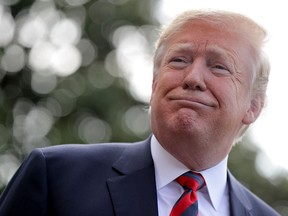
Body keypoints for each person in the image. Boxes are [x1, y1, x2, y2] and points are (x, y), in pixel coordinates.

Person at [0, 10, 280, 216]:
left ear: (253, 106)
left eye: (219, 66)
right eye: (179, 60)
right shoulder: (55, 178)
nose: (193, 77)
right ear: (154, 84)